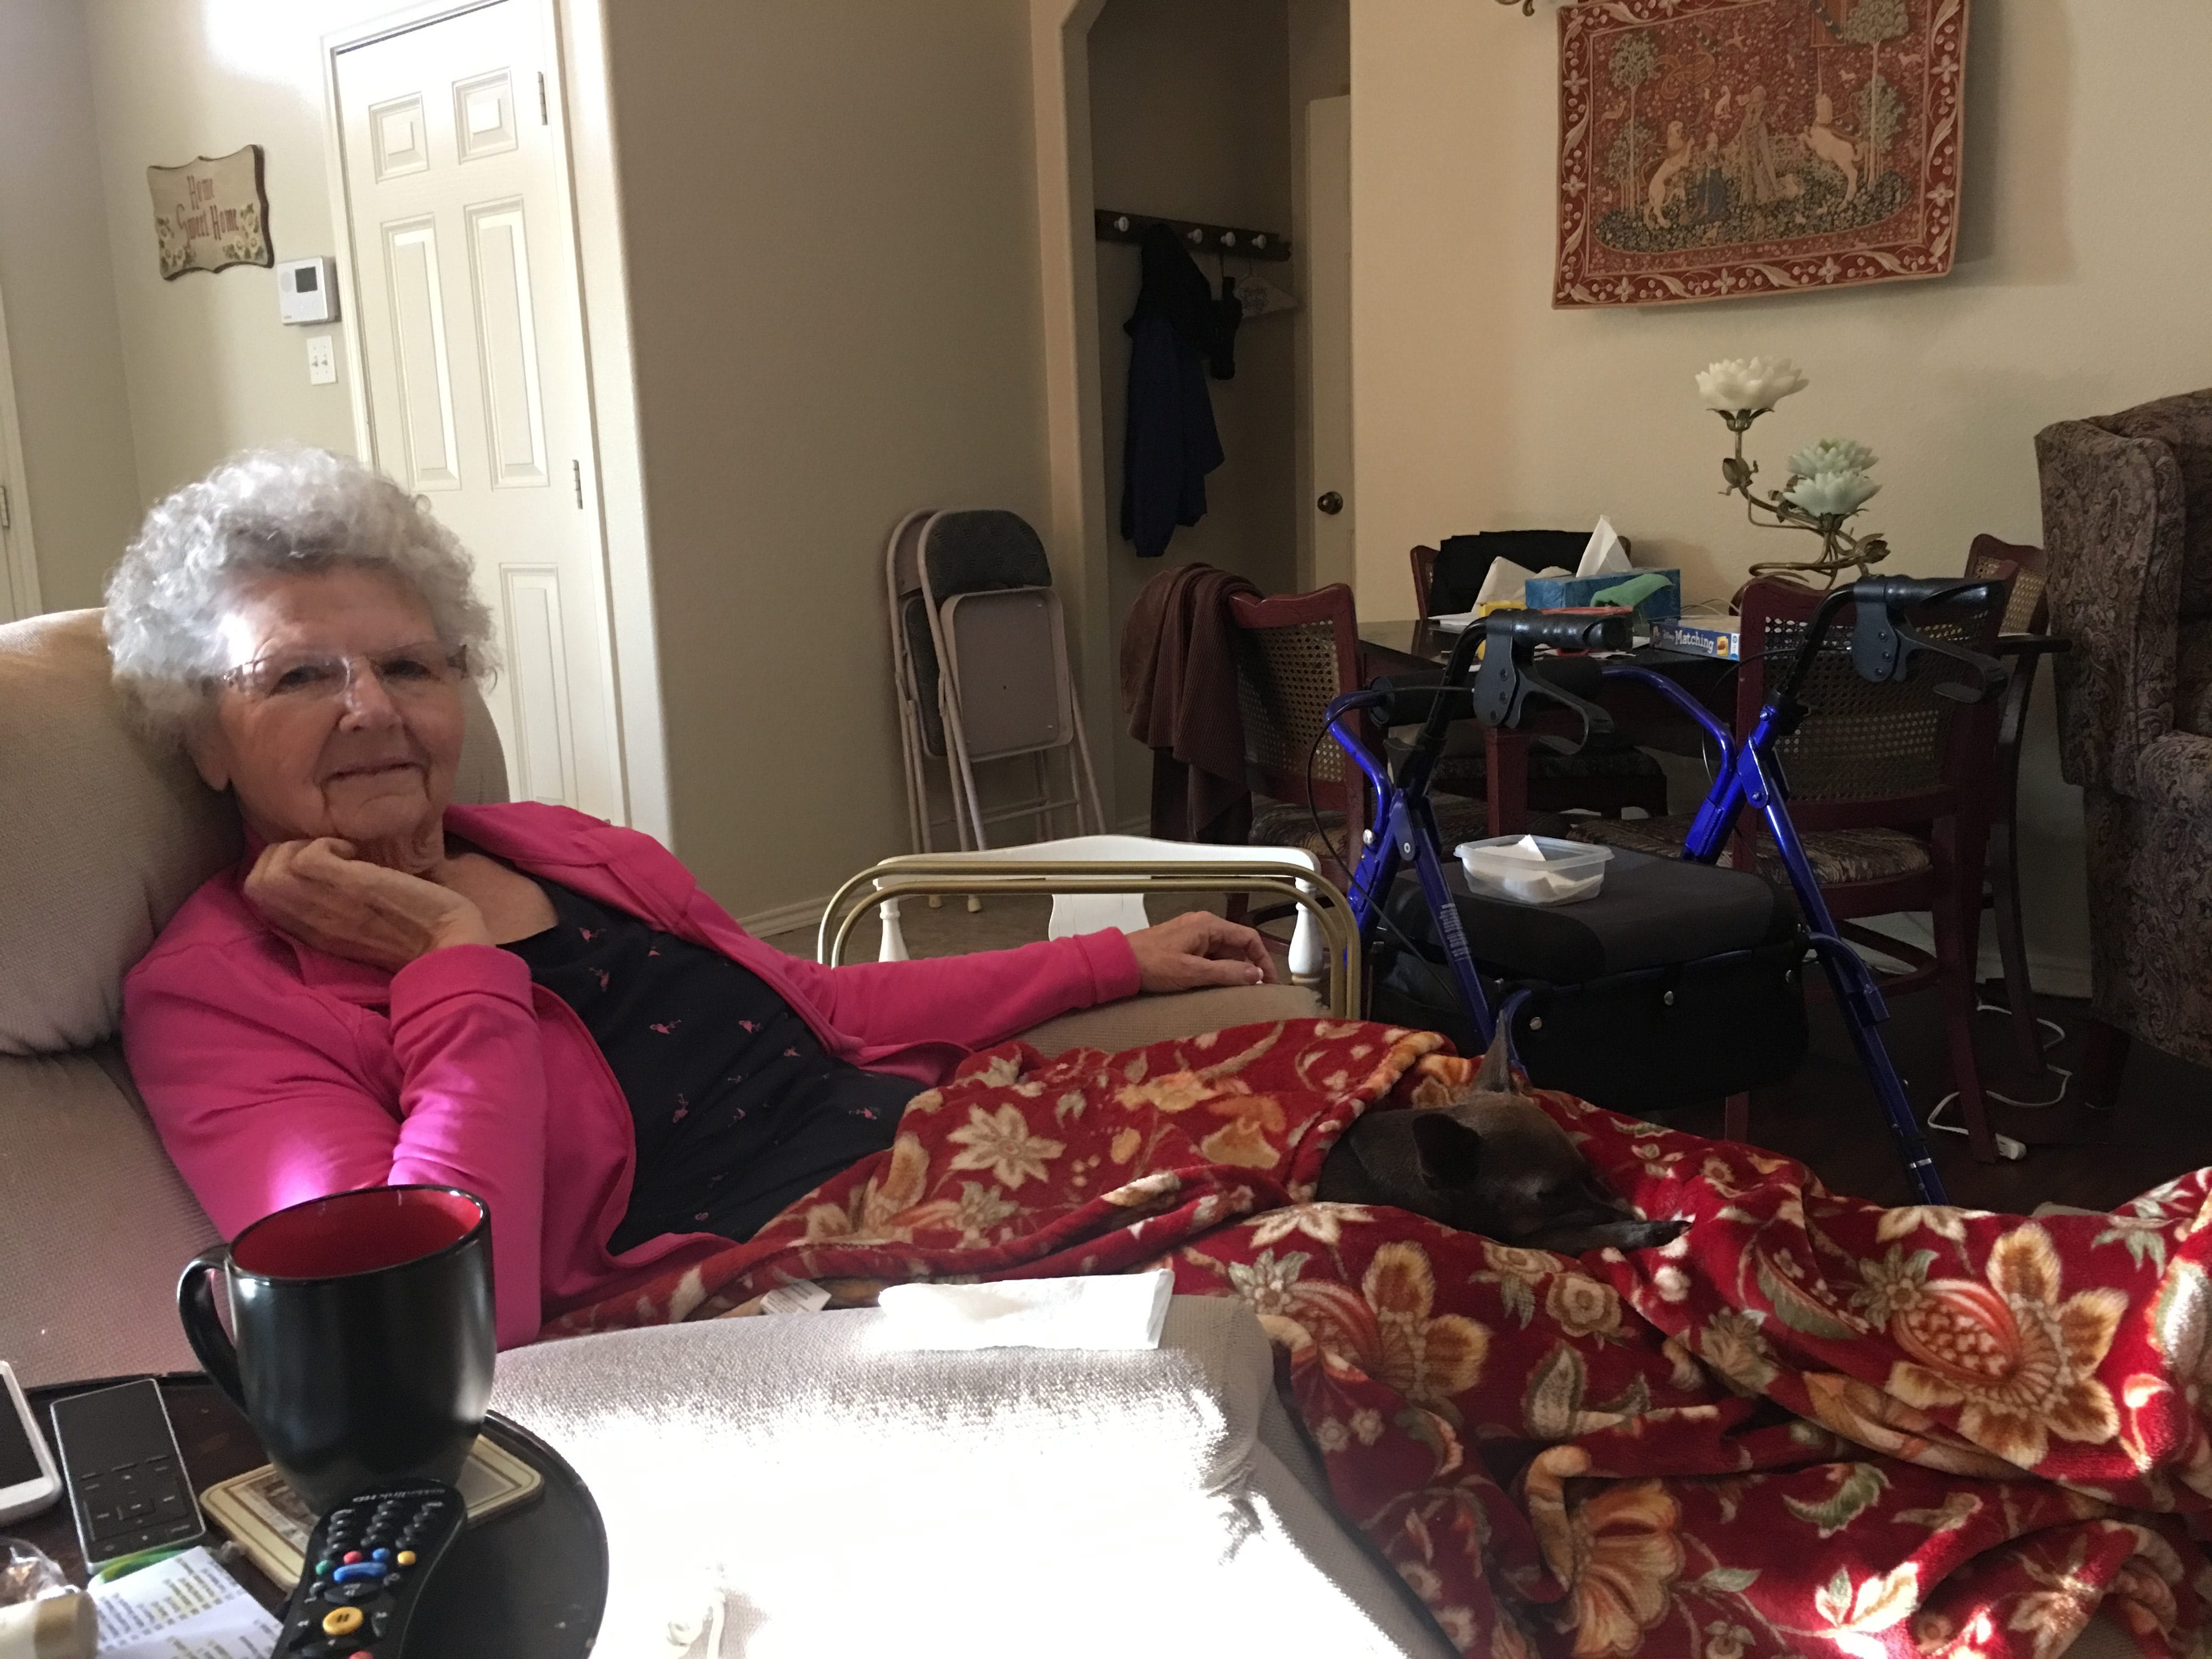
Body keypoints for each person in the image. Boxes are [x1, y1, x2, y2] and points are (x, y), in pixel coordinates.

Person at [109, 448, 1278, 1347]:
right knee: (1309, 1283)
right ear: (203, 735)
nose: (371, 707)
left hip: (934, 1147)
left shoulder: (563, 846)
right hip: (789, 1288)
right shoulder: (217, 1001)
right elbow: (434, 1318)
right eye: (298, 676)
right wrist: (451, 961)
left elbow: (817, 1002)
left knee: (1348, 1103)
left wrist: (1115, 959)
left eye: (410, 665)